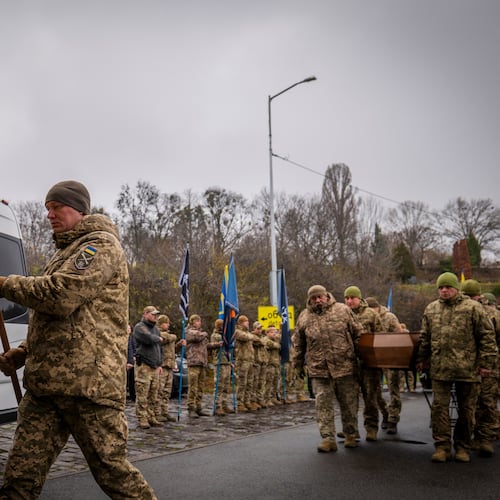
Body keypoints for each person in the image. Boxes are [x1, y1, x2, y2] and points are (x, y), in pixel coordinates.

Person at [0, 180, 156, 499]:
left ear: (79, 210)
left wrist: (3, 284)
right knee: (19, 478)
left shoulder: (99, 245)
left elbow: (61, 296)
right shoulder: (62, 254)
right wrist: (24, 352)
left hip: (88, 387)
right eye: (47, 209)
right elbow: (54, 319)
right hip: (46, 387)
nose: (50, 215)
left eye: (56, 207)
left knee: (113, 473)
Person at [416, 272, 497, 463]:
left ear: (456, 288)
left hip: (467, 370)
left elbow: (487, 337)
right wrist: (422, 359)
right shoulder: (431, 309)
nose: (444, 290)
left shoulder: (473, 308)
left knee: (467, 411)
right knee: (439, 410)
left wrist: (486, 364)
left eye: (448, 287)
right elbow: (425, 338)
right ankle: (442, 447)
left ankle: (462, 447)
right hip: (440, 370)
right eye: (441, 287)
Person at [294, 285, 363, 452]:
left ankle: (350, 434)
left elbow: (358, 334)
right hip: (319, 369)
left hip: (345, 366)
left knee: (349, 403)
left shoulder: (342, 310)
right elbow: (298, 343)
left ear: (327, 296)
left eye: (320, 296)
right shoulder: (304, 317)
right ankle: (328, 438)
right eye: (314, 298)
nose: (318, 300)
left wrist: (363, 358)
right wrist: (297, 365)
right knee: (322, 404)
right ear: (309, 300)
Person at [461, 281, 499, 456]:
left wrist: (490, 362)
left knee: (487, 402)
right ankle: (477, 438)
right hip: (468, 367)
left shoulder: (492, 314)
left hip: (490, 367)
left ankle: (485, 439)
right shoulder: (463, 310)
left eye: (471, 296)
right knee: (473, 403)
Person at [344, 286, 386, 442]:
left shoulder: (370, 314)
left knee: (370, 398)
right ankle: (351, 429)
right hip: (349, 364)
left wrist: (378, 358)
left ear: (359, 298)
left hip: (368, 364)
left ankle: (371, 427)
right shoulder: (342, 314)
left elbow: (381, 336)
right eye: (347, 298)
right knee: (349, 399)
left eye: (352, 298)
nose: (349, 301)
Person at [365, 296, 403, 434]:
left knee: (394, 389)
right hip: (374, 358)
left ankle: (393, 418)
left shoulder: (389, 317)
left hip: (391, 357)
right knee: (375, 391)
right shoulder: (366, 318)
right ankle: (385, 413)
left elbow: (400, 336)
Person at [181, 314, 219, 418]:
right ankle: (191, 408)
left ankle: (198, 407)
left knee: (200, 386)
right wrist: (204, 333)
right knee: (193, 387)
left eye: (200, 321)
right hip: (193, 362)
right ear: (192, 322)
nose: (199, 323)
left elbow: (206, 345)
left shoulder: (201, 333)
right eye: (197, 321)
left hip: (202, 362)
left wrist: (217, 345)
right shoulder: (188, 331)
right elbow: (196, 337)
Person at [133, 305, 164, 429]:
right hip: (144, 365)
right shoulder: (140, 327)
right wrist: (159, 338)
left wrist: (160, 364)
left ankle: (151, 416)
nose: (155, 317)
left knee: (153, 394)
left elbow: (159, 348)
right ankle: (142, 418)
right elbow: (148, 338)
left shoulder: (156, 329)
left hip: (154, 365)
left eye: (156, 314)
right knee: (142, 393)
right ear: (145, 314)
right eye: (152, 314)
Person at [211, 318, 235, 416]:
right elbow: (220, 343)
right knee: (219, 385)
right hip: (219, 362)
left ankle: (225, 404)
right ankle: (217, 406)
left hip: (227, 362)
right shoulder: (216, 336)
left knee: (226, 385)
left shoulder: (226, 335)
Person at [156, 314, 178, 422]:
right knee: (159, 390)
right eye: (166, 323)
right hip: (162, 364)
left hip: (169, 365)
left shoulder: (168, 335)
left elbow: (171, 347)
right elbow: (166, 339)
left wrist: (178, 344)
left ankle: (164, 411)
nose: (168, 325)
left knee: (167, 391)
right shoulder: (158, 333)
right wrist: (174, 337)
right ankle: (157, 412)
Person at [234, 315, 256, 412]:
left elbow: (253, 338)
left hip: (250, 360)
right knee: (242, 383)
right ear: (241, 323)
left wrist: (252, 336)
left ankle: (247, 401)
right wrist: (252, 336)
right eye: (246, 321)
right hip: (242, 361)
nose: (248, 323)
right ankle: (239, 403)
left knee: (249, 383)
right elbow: (246, 337)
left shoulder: (247, 332)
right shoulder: (237, 331)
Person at [126, 324, 137, 402]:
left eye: (129, 328)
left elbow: (134, 348)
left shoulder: (132, 338)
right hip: (124, 361)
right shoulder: (123, 338)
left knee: (132, 379)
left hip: (131, 361)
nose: (128, 330)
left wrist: (134, 356)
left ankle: (133, 395)